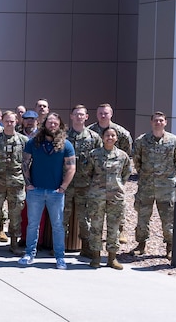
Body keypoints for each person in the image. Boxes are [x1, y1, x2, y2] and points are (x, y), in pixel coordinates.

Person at [20, 112, 75, 269]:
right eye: (49, 122)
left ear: (60, 125)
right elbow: (24, 163)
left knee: (58, 225)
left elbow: (71, 167)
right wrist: (28, 184)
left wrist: (63, 187)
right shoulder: (33, 143)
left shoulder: (66, 145)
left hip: (56, 193)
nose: (52, 125)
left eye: (55, 123)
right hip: (35, 191)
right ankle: (29, 254)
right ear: (44, 124)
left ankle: (60, 257)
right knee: (33, 224)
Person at [131, 111, 176, 259]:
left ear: (166, 122)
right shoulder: (142, 140)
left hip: (166, 187)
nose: (158, 123)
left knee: (168, 219)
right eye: (155, 120)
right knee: (142, 217)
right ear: (151, 122)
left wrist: (173, 174)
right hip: (146, 186)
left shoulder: (173, 141)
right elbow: (136, 159)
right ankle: (141, 245)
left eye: (161, 120)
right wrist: (143, 173)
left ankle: (170, 247)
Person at [81, 127, 131, 269]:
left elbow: (126, 173)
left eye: (113, 135)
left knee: (114, 227)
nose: (110, 137)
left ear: (116, 138)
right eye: (107, 135)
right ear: (102, 138)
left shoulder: (122, 156)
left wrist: (117, 184)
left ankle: (112, 258)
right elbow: (87, 172)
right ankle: (96, 257)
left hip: (116, 196)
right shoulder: (94, 154)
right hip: (97, 196)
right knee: (96, 227)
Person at [0, 111, 28, 255]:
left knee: (15, 214)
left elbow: (28, 162)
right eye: (7, 121)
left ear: (17, 121)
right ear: (2, 121)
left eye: (12, 121)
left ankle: (14, 243)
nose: (9, 124)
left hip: (16, 182)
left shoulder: (23, 141)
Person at [65, 105, 102, 258]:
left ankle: (86, 246)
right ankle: (59, 246)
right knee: (62, 216)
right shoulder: (63, 136)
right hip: (66, 183)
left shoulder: (94, 137)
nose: (79, 117)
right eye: (76, 114)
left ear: (87, 117)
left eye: (82, 115)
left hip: (85, 184)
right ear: (71, 116)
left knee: (85, 217)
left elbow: (100, 160)